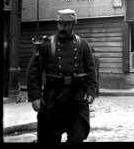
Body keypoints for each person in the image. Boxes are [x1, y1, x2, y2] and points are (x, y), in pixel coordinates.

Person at [26, 9, 97, 142]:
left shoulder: (82, 44)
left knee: (77, 136)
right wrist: (35, 97)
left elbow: (91, 70)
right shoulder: (47, 45)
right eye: (60, 24)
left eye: (66, 24)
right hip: (53, 98)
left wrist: (91, 91)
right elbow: (33, 71)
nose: (63, 28)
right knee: (50, 138)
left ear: (73, 25)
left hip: (76, 98)